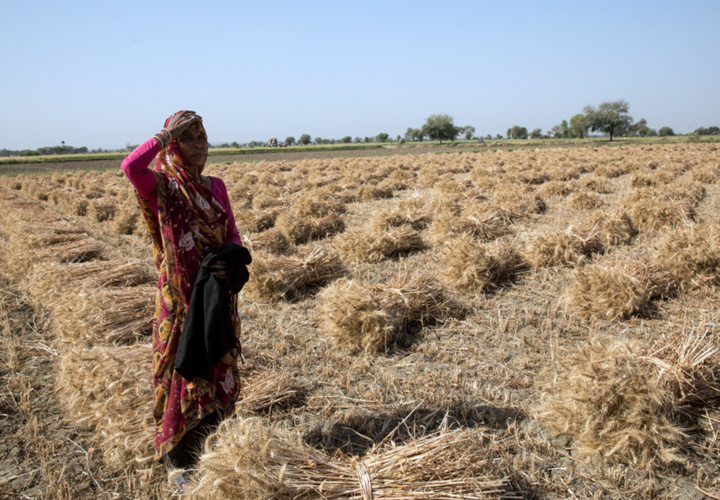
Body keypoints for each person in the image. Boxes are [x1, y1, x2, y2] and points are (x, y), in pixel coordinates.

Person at [121, 110, 243, 492]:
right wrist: (161, 135)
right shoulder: (162, 186)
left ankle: (215, 451)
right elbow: (130, 166)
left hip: (216, 296)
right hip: (180, 300)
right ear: (173, 145)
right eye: (189, 138)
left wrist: (230, 264)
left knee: (218, 362)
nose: (199, 144)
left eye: (202, 137)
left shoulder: (216, 186)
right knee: (184, 365)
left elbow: (233, 237)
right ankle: (180, 462)